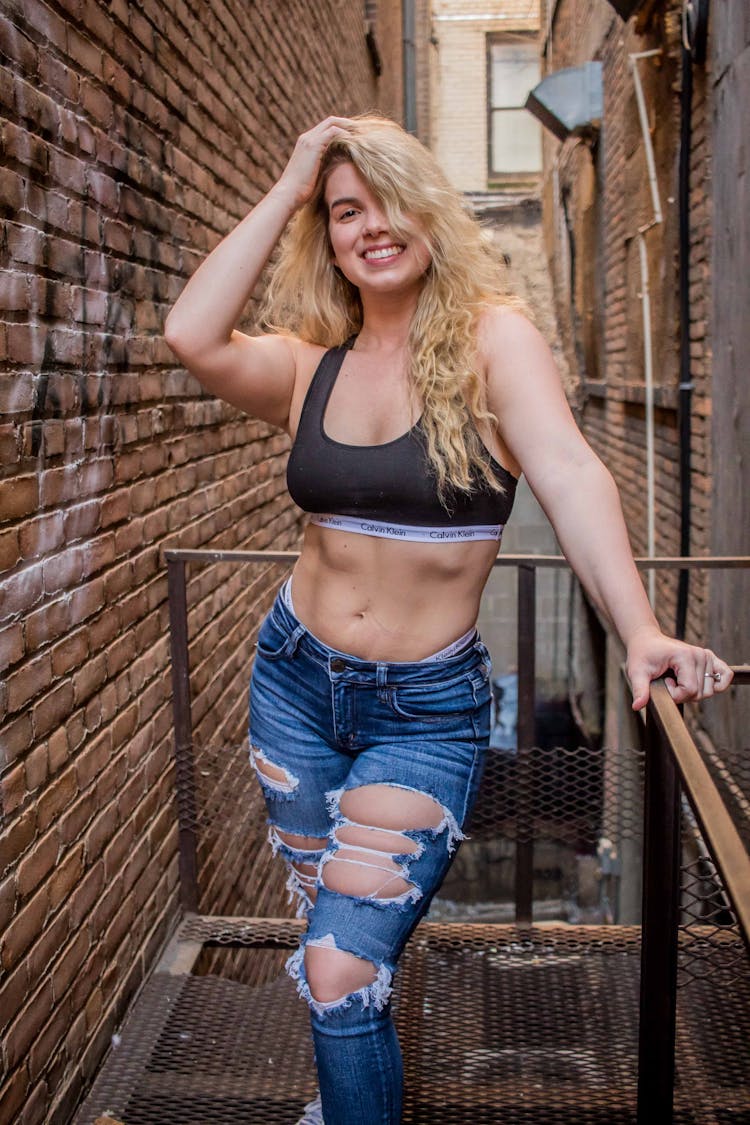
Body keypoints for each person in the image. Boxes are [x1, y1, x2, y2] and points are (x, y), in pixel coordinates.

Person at [164, 114, 733, 1125]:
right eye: (346, 211)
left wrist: (641, 629)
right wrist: (295, 179)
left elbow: (570, 474)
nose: (370, 226)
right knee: (332, 950)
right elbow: (191, 335)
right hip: (294, 685)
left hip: (421, 715)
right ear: (324, 232)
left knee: (339, 968)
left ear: (431, 210)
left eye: (387, 200)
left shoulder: (492, 341)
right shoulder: (313, 361)